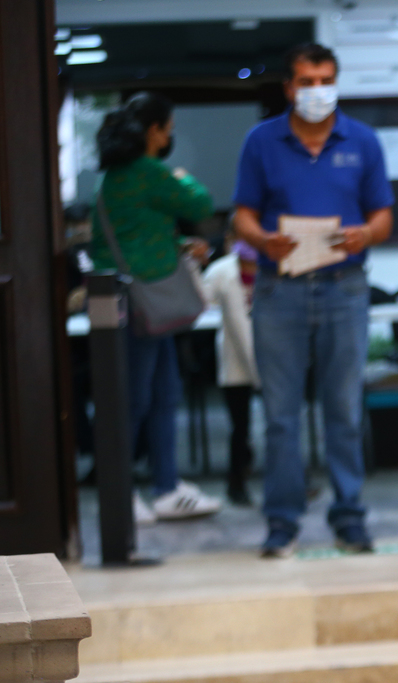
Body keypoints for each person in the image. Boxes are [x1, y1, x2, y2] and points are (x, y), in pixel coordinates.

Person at [232, 43, 394, 557]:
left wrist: (364, 235)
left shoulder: (363, 141)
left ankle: (349, 516)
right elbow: (242, 216)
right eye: (306, 81)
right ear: (289, 87)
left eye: (326, 79)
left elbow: (384, 217)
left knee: (343, 409)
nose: (317, 90)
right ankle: (282, 521)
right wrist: (262, 241)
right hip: (280, 290)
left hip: (344, 288)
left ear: (336, 82)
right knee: (280, 414)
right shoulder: (262, 141)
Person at [91, 91, 222, 521]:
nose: (169, 137)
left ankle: (165, 488)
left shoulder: (112, 176)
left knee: (162, 393)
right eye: (168, 129)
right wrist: (183, 176)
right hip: (141, 304)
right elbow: (199, 203)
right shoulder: (147, 171)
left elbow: (134, 235)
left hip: (135, 301)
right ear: (154, 131)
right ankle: (124, 491)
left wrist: (178, 244)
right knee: (136, 398)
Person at [202, 237, 260, 506]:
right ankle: (236, 482)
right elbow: (200, 301)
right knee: (240, 426)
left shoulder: (273, 265)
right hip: (235, 358)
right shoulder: (221, 271)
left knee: (283, 422)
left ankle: (292, 480)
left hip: (272, 356)